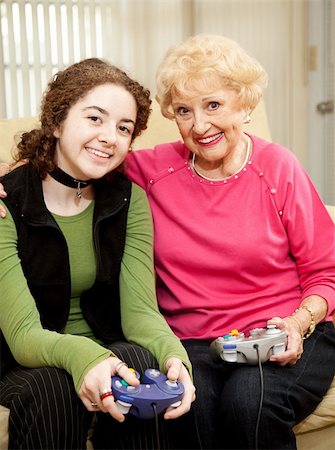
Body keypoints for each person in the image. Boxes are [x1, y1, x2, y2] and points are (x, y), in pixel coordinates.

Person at [1, 34, 335, 449]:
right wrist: (11, 175)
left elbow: (326, 271)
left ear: (245, 104)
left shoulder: (278, 168)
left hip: (280, 329)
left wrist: (299, 322)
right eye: (183, 111)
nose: (199, 125)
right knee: (186, 408)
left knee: (249, 402)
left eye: (213, 105)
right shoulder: (151, 171)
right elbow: (74, 161)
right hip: (196, 339)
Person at [0, 58, 195, 450]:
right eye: (95, 119)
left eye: (124, 128)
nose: (110, 137)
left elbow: (140, 312)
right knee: (53, 386)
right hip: (24, 360)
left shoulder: (128, 200)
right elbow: (22, 335)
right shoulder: (7, 201)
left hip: (108, 345)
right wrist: (89, 359)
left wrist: (177, 359)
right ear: (56, 123)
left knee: (141, 364)